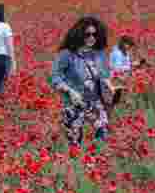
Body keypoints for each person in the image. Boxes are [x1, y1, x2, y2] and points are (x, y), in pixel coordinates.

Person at [50, 16, 120, 147]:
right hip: (75, 103)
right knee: (75, 141)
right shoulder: (67, 55)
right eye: (87, 34)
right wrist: (70, 92)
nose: (91, 37)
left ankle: (97, 161)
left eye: (95, 34)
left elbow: (105, 76)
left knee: (102, 135)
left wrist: (112, 89)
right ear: (79, 34)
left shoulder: (99, 55)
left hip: (96, 102)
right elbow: (55, 77)